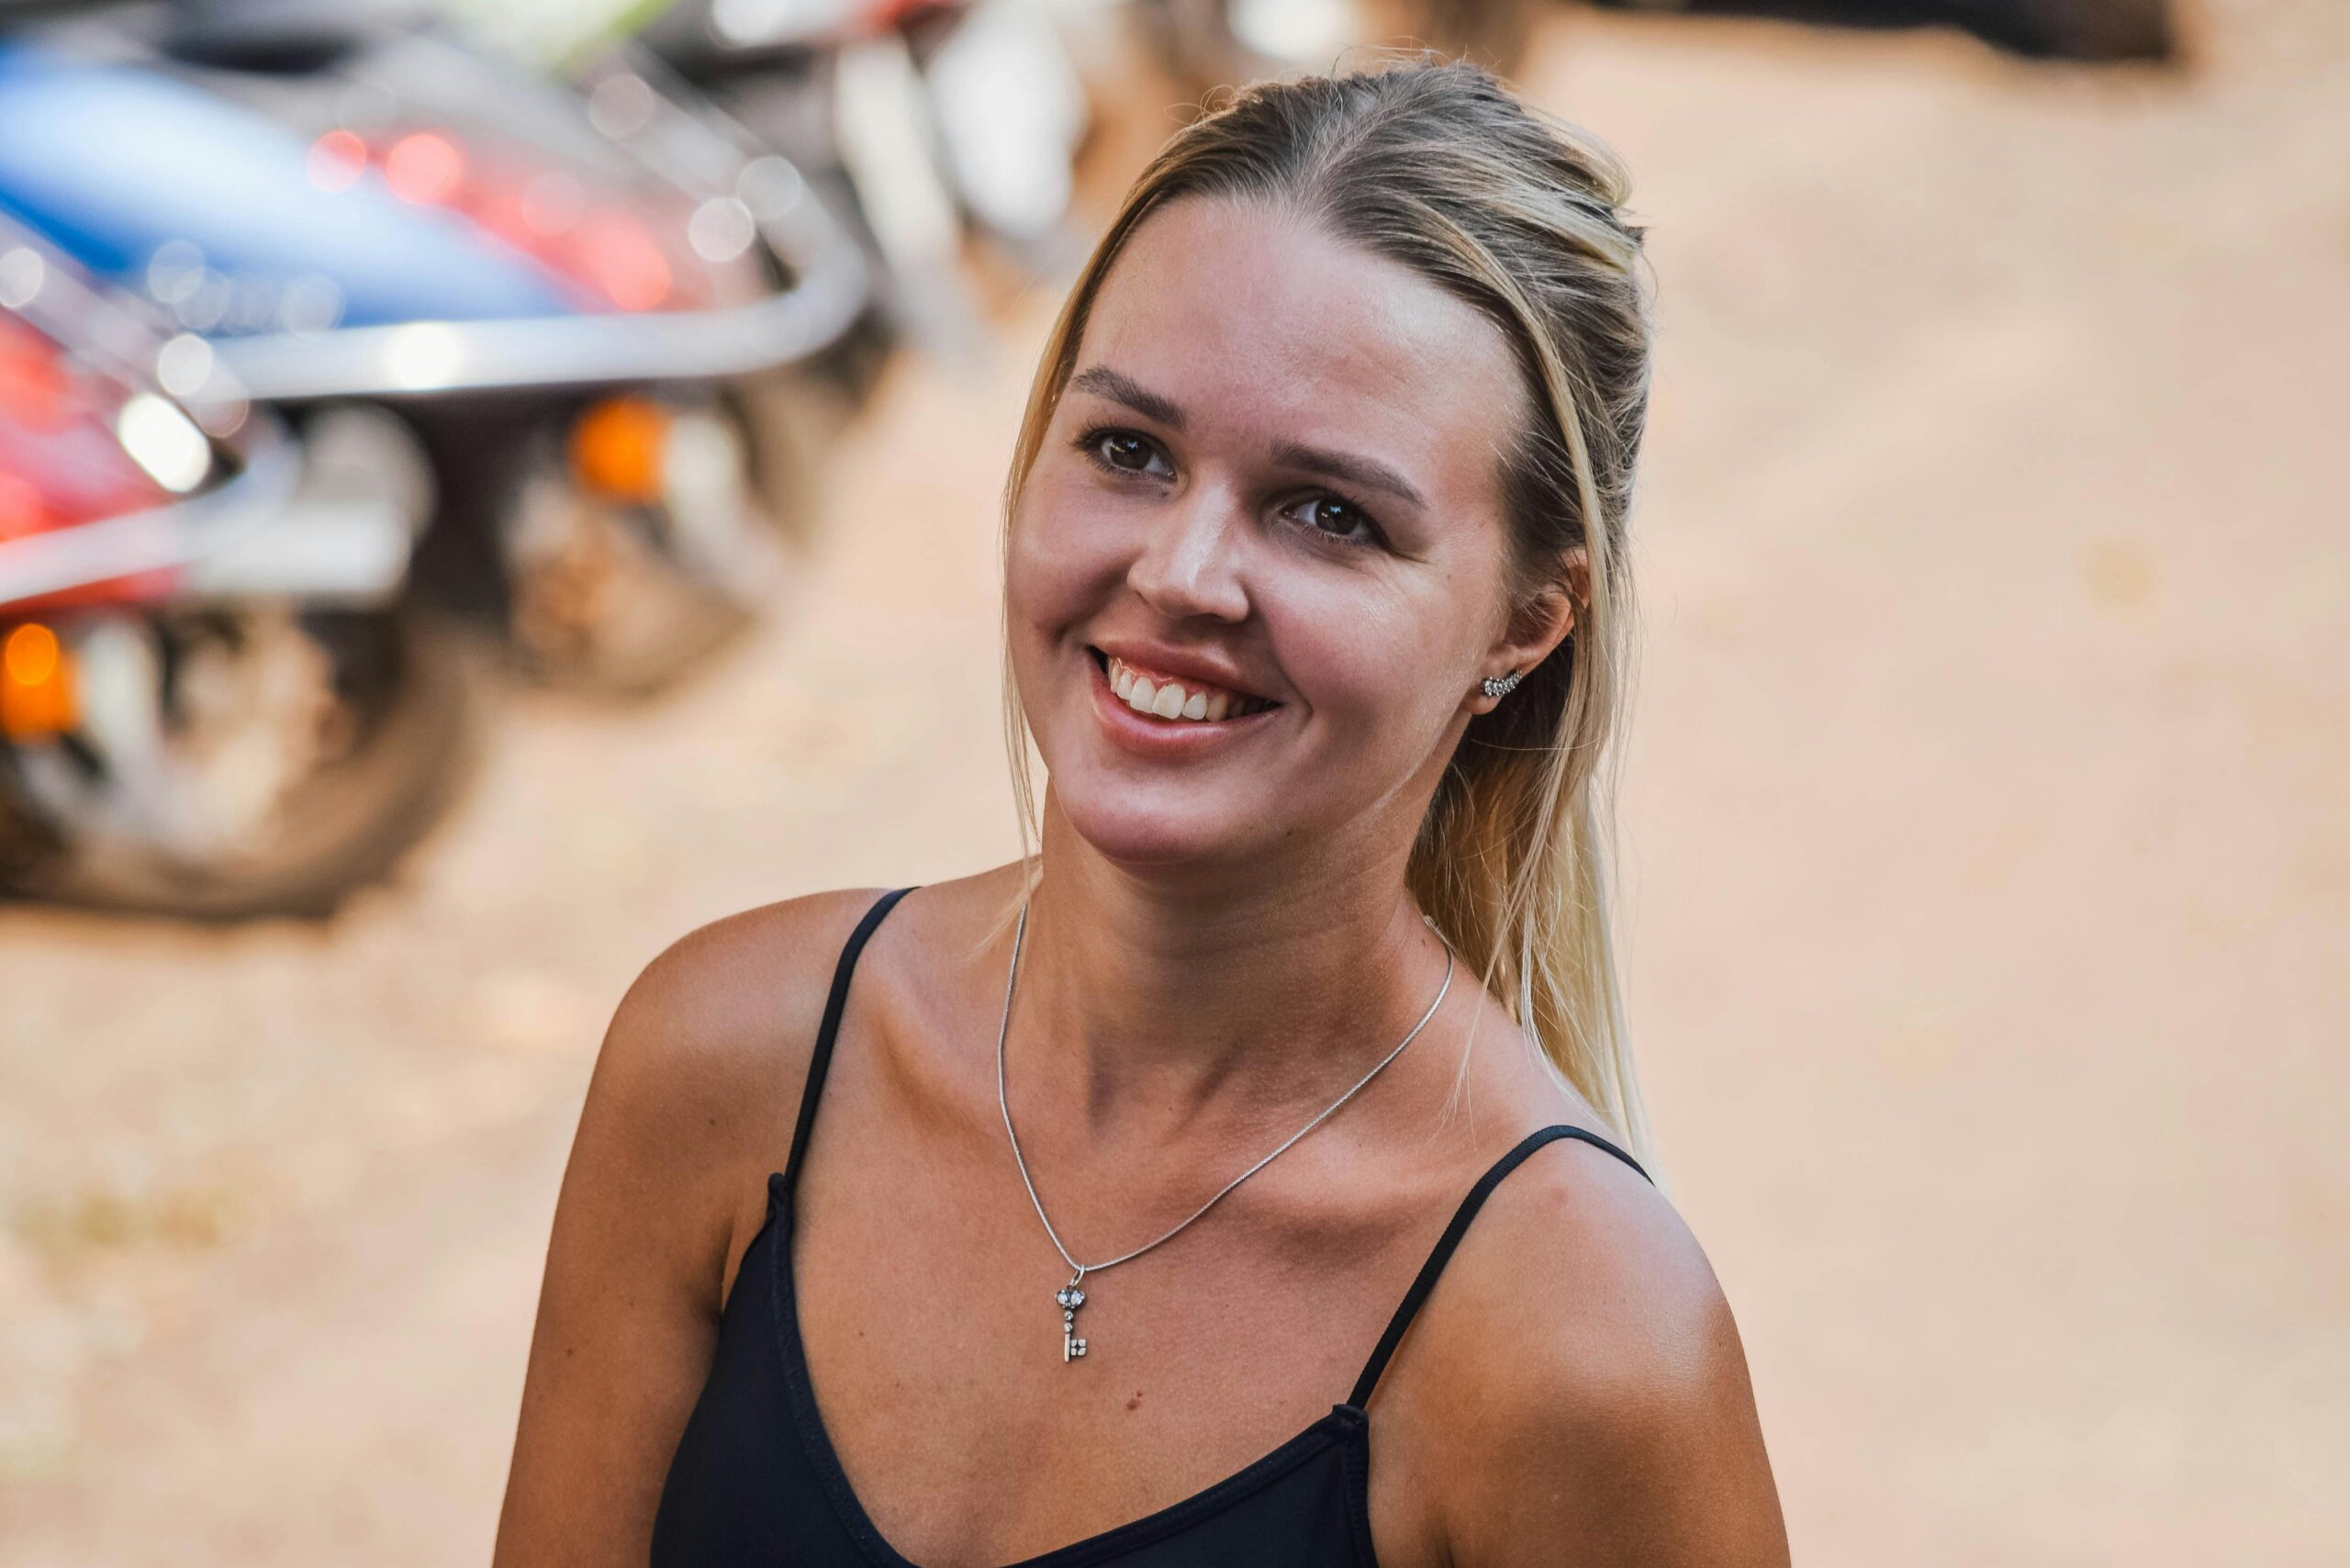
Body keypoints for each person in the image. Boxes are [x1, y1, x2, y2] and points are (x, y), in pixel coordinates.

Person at [493, 59, 1788, 1568]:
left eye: (1330, 513)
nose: (1180, 573)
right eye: (1129, 450)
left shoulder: (1583, 1340)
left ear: (1526, 625)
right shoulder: (729, 1062)